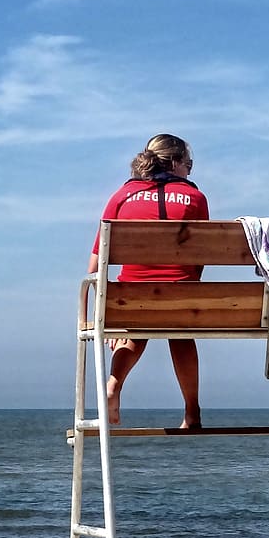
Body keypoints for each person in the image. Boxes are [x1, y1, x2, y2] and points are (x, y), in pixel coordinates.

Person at [88, 134, 209, 428]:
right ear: (177, 163)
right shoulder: (195, 198)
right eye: (189, 164)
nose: (190, 171)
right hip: (179, 298)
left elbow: (95, 266)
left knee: (136, 325)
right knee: (180, 331)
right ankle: (192, 411)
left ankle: (113, 386)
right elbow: (200, 259)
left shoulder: (120, 197)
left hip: (129, 298)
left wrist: (108, 316)